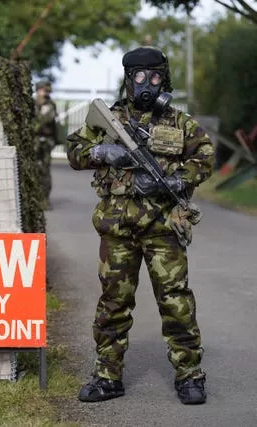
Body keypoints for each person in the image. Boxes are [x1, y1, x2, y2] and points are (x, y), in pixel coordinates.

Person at [65, 46, 215, 405]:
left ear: (165, 79)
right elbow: (74, 150)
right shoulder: (108, 120)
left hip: (164, 230)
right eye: (140, 77)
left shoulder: (180, 122)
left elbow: (204, 157)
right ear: (128, 79)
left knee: (176, 302)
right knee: (113, 303)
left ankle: (190, 375)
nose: (147, 83)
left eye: (155, 76)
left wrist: (176, 181)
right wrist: (102, 153)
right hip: (118, 231)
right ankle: (107, 376)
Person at [34, 80, 58, 208]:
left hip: (46, 140)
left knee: (44, 171)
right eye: (43, 90)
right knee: (33, 169)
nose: (45, 92)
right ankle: (34, 198)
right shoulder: (32, 103)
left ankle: (44, 199)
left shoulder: (50, 104)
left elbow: (46, 119)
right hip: (34, 140)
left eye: (46, 90)